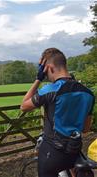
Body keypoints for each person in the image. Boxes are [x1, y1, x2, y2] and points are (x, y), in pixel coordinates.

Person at [20, 48, 95, 177]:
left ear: (48, 67)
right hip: (74, 151)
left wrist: (38, 79)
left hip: (51, 152)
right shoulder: (88, 93)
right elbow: (86, 129)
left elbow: (24, 106)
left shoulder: (51, 89)